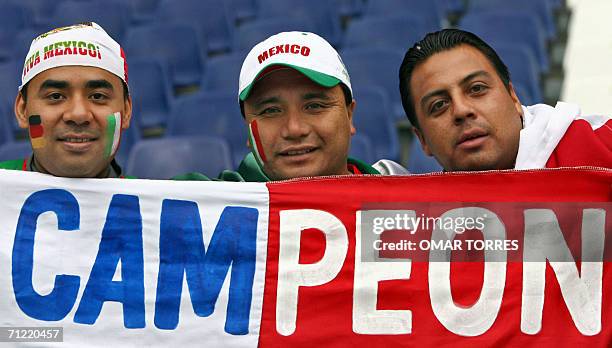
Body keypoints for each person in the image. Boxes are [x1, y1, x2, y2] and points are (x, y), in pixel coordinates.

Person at [178, 31, 407, 182]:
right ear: (247, 129)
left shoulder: (404, 194)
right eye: (271, 111)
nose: (295, 129)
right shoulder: (211, 205)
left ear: (350, 116)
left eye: (314, 106)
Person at [399, 29, 612, 171]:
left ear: (514, 98)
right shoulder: (422, 223)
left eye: (476, 89)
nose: (462, 110)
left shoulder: (603, 147)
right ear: (422, 140)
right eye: (438, 105)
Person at [0, 22, 134, 178]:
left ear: (126, 111)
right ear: (22, 110)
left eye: (98, 96)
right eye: (55, 96)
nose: (78, 115)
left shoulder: (158, 200)